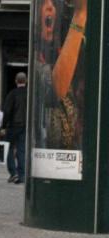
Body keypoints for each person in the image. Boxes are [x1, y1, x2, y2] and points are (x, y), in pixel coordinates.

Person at [34, 0, 86, 150]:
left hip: (71, 146)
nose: (50, 7)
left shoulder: (65, 50)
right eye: (44, 3)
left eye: (54, 4)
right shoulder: (36, 59)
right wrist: (80, 14)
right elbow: (56, 90)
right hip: (50, 148)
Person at [3, 72, 28, 184]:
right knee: (21, 149)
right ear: (26, 81)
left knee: (9, 149)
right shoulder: (29, 94)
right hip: (25, 125)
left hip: (13, 126)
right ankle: (21, 174)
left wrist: (3, 125)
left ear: (16, 81)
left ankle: (13, 173)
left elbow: (7, 111)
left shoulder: (12, 94)